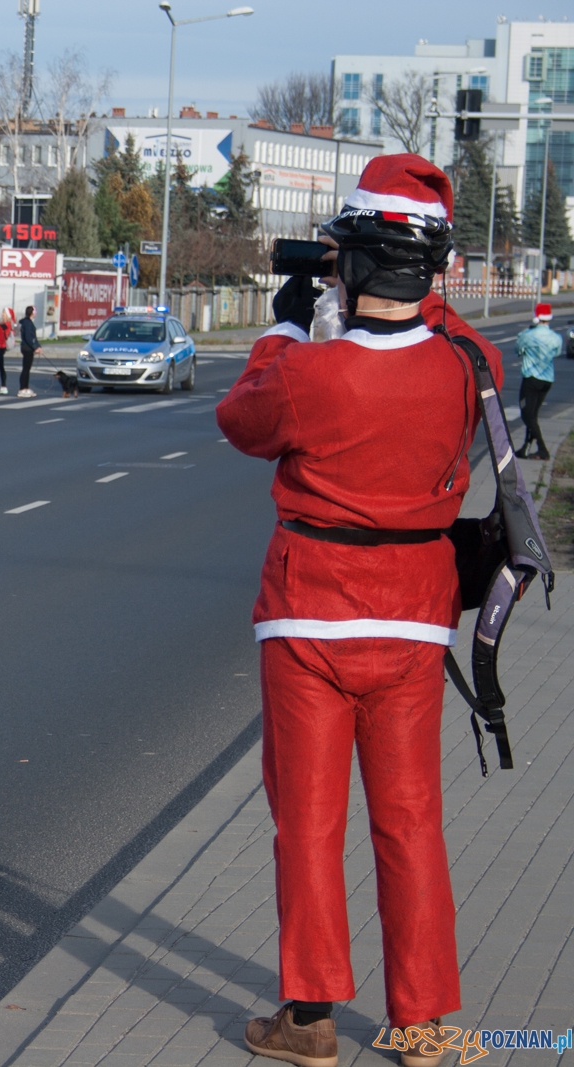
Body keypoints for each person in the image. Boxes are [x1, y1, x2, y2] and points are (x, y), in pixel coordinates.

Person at [216, 154, 500, 1067]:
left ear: (352, 261)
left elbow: (241, 420)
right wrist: (405, 269)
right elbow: (446, 330)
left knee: (307, 821)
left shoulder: (308, 372)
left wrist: (291, 325)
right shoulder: (468, 366)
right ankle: (421, 1022)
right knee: (412, 818)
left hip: (308, 616)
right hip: (416, 619)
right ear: (433, 266)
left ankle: (307, 1021)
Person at [515, 303, 559, 460]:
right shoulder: (556, 337)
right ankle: (525, 448)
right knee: (533, 415)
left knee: (527, 414)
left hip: (531, 378)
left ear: (536, 317)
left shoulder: (527, 336)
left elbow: (518, 350)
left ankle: (542, 449)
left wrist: (526, 331)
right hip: (547, 379)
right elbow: (557, 352)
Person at [17, 305, 40, 397]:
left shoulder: (27, 322)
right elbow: (29, 337)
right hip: (27, 348)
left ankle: (26, 387)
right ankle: (22, 388)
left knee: (27, 368)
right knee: (26, 369)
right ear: (32, 312)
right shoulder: (28, 323)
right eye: (35, 311)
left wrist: (37, 346)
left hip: (27, 347)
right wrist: (36, 347)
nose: (36, 313)